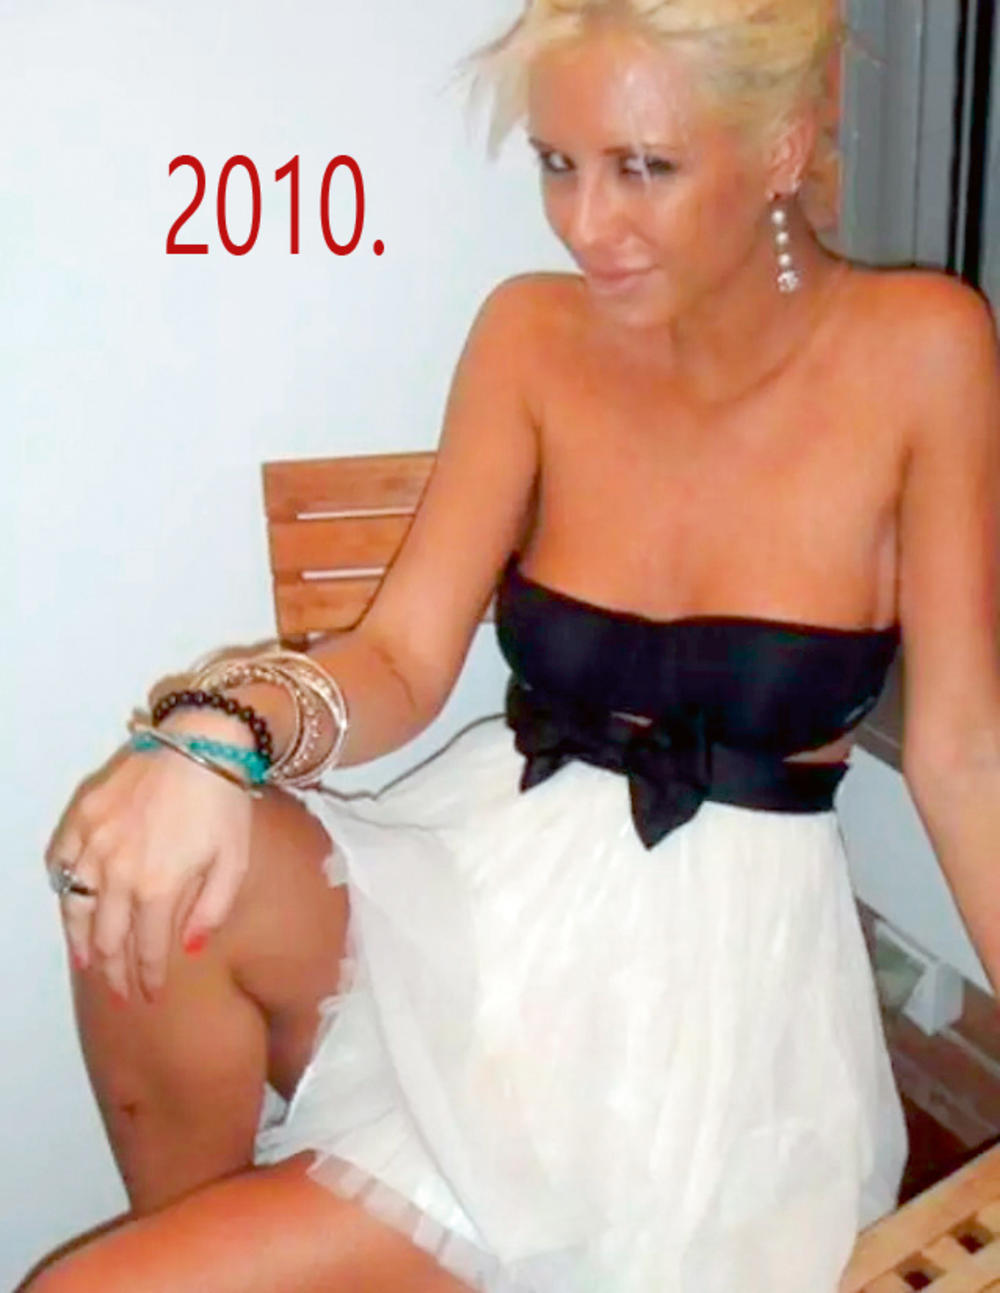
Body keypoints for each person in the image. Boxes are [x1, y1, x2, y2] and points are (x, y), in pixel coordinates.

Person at [24, 0, 1000, 1289]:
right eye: (558, 164)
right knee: (134, 871)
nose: (586, 224)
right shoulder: (532, 333)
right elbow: (400, 661)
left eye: (643, 167)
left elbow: (962, 756)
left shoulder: (922, 349)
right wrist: (214, 735)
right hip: (485, 886)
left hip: (691, 1012)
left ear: (780, 148)